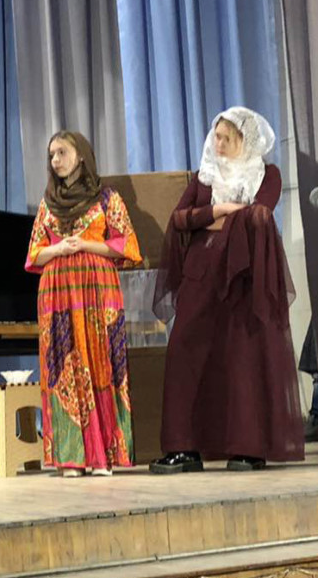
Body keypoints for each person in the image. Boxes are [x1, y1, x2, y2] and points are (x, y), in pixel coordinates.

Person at [150, 107, 303, 473]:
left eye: (226, 138)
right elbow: (180, 218)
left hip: (244, 275)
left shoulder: (267, 174)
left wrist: (217, 218)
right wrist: (219, 209)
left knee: (242, 356)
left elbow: (261, 214)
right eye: (215, 136)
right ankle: (183, 446)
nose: (217, 144)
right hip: (202, 271)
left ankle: (247, 446)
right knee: (185, 351)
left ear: (243, 140)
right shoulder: (205, 177)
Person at [25, 131, 142, 477]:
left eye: (62, 152)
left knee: (100, 363)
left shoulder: (106, 198)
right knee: (64, 370)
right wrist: (58, 249)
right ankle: (72, 457)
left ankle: (103, 454)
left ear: (80, 155)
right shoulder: (48, 203)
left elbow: (127, 245)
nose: (55, 160)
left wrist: (86, 245)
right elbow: (34, 254)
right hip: (57, 292)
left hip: (96, 289)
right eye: (51, 155)